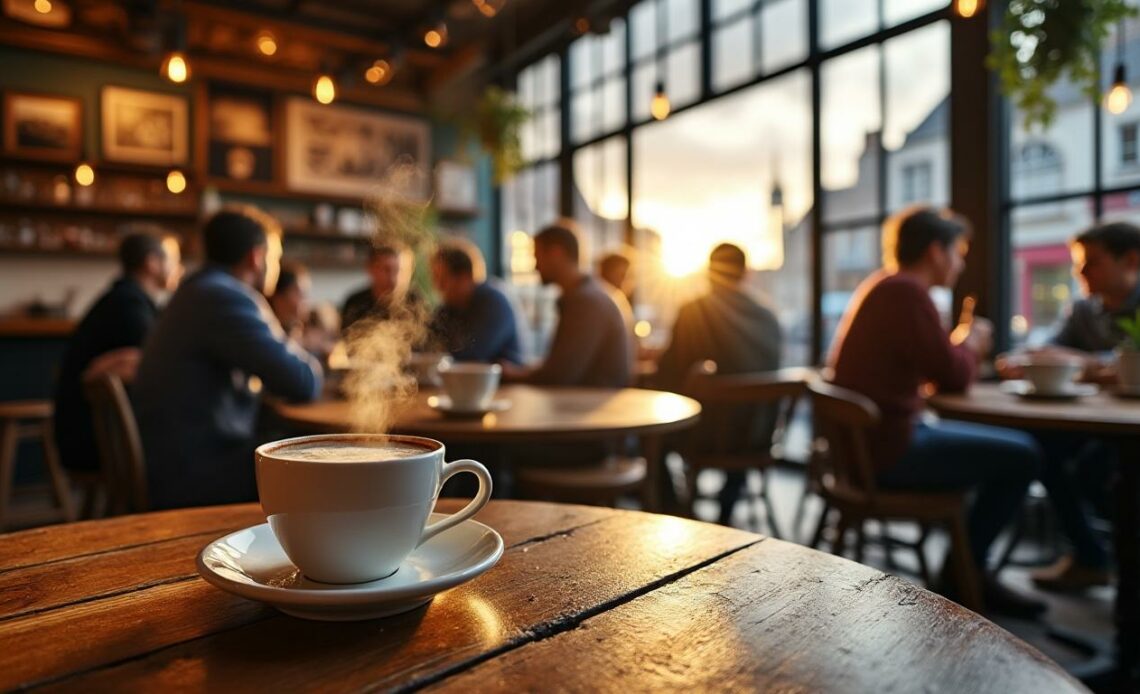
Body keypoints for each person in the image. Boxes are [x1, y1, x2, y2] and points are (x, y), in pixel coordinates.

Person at [829, 205, 1044, 618]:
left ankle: (964, 570)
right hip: (890, 451)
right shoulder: (907, 293)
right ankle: (965, 576)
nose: (961, 262)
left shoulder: (886, 287)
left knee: (1005, 450)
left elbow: (929, 365)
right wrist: (971, 340)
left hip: (871, 446)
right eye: (958, 251)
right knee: (1024, 454)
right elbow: (952, 374)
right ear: (935, 251)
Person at [133, 207, 323, 509]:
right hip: (195, 475)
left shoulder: (196, 290)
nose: (276, 266)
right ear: (256, 257)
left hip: (173, 460)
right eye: (275, 257)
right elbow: (302, 380)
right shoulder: (226, 297)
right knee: (321, 464)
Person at [1000, 222, 1140, 591]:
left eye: (1091, 262)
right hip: (1095, 422)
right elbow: (1052, 349)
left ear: (1131, 260)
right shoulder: (1084, 310)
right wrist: (1027, 358)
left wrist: (1079, 362)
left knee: (1099, 472)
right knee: (1037, 449)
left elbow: (1105, 363)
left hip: (1129, 428)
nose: (1080, 272)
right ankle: (1092, 558)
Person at [655, 243, 783, 525]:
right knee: (739, 419)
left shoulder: (694, 313)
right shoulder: (768, 317)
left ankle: (676, 512)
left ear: (709, 274)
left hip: (706, 436)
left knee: (653, 438)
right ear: (745, 273)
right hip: (757, 436)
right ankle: (727, 509)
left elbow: (667, 375)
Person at [52, 229, 182, 473]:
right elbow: (154, 371)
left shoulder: (122, 299)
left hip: (84, 434)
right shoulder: (129, 307)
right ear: (152, 263)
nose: (179, 267)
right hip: (92, 441)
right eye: (174, 258)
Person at [500, 220, 631, 387]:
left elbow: (559, 377)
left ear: (556, 253)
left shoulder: (586, 302)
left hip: (589, 407)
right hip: (590, 404)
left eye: (537, 256)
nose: (535, 266)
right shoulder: (593, 293)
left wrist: (513, 374)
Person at [429, 239, 523, 364]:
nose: (437, 287)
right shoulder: (449, 308)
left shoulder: (493, 302)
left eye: (442, 280)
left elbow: (474, 354)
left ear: (464, 277)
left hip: (505, 382)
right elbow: (427, 343)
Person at [340, 244, 417, 332]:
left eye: (399, 270)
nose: (393, 278)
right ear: (370, 269)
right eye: (386, 270)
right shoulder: (355, 304)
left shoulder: (415, 303)